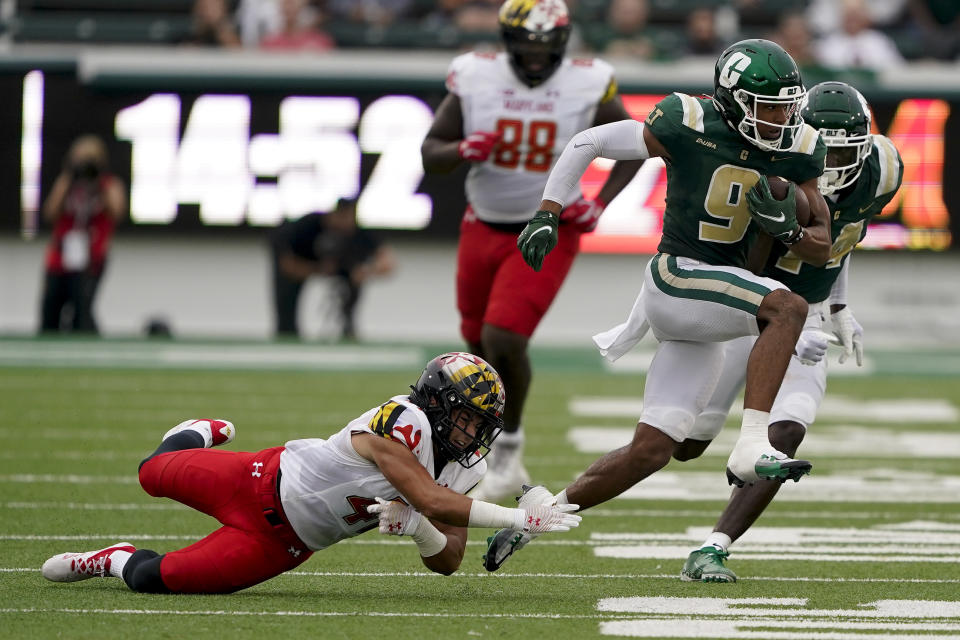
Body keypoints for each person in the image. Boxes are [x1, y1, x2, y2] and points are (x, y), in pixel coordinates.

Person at [484, 38, 834, 571]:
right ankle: (752, 443)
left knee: (656, 450)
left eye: (790, 104)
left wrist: (789, 228)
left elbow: (821, 242)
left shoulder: (801, 146)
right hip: (678, 275)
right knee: (786, 308)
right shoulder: (687, 120)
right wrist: (549, 210)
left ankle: (539, 517)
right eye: (770, 106)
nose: (783, 117)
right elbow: (589, 141)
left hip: (715, 300)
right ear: (734, 100)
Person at [40, 352, 581, 593]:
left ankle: (112, 559)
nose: (470, 434)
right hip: (258, 479)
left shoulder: (467, 466)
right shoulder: (401, 418)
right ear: (437, 403)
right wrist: (519, 518)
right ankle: (194, 432)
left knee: (153, 579)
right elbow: (429, 497)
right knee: (151, 473)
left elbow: (450, 559)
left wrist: (417, 531)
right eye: (464, 417)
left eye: (479, 424)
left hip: (285, 545)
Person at [420, 0, 645, 502]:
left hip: (548, 225)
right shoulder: (476, 75)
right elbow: (431, 151)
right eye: (527, 44)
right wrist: (461, 150)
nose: (537, 57)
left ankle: (508, 448)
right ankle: (475, 449)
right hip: (482, 224)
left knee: (505, 337)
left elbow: (636, 144)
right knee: (476, 345)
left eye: (547, 46)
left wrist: (601, 203)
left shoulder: (589, 80)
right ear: (507, 39)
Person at [680, 81, 903, 582]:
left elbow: (845, 236)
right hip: (748, 306)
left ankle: (713, 548)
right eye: (823, 151)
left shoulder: (884, 169)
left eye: (844, 151)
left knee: (787, 432)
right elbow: (744, 258)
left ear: (865, 145)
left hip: (811, 315)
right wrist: (779, 314)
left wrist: (837, 304)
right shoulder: (773, 166)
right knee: (686, 440)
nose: (831, 164)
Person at [270, 198, 395, 340]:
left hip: (339, 268)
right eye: (341, 218)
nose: (344, 225)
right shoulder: (306, 227)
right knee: (287, 292)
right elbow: (286, 265)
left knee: (353, 281)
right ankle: (287, 333)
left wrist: (365, 271)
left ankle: (347, 329)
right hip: (302, 261)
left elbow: (388, 264)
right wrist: (318, 269)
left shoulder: (357, 234)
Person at [40, 134, 126, 334]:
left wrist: (99, 181)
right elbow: (50, 213)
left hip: (91, 258)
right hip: (61, 256)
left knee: (81, 310)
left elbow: (117, 213)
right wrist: (69, 178)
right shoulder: (66, 183)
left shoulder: (109, 185)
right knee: (51, 309)